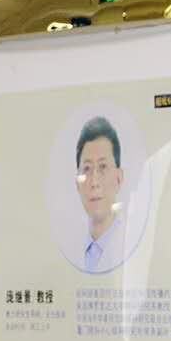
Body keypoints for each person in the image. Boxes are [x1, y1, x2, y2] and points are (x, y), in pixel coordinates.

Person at [73, 117, 126, 274]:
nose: (94, 182)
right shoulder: (71, 249)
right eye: (87, 168)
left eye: (103, 167)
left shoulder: (132, 245)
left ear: (118, 178)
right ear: (77, 183)